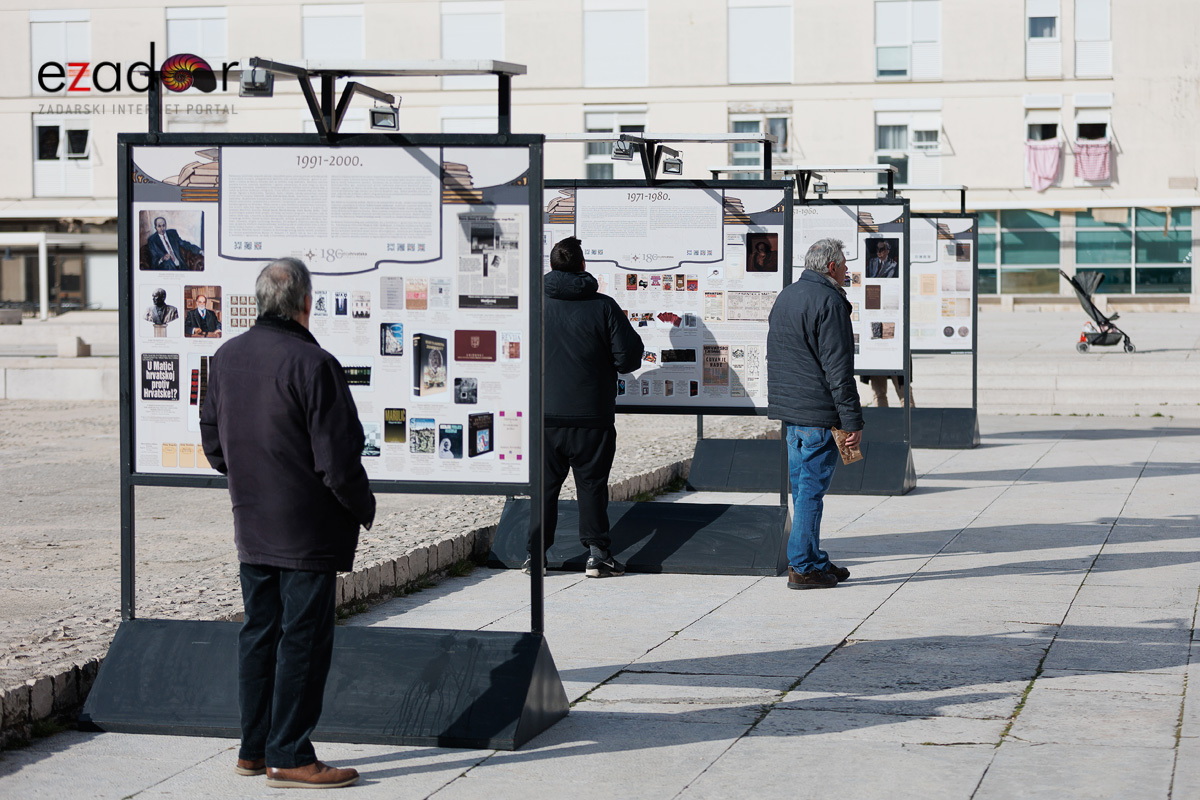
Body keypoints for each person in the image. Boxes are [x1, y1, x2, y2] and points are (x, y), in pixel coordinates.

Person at [200, 257, 374, 790]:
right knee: (303, 638)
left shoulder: (225, 356)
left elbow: (213, 443)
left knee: (259, 633)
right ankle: (291, 753)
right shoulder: (314, 362)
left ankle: (253, 750)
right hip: (306, 528)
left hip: (251, 520)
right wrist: (361, 507)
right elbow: (338, 458)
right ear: (305, 303)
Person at [529, 236, 644, 578]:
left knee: (544, 487)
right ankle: (597, 555)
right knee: (592, 485)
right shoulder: (603, 306)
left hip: (543, 416)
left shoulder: (536, 304)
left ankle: (536, 556)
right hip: (591, 415)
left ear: (551, 266)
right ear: (583, 266)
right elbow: (627, 359)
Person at [767, 238, 863, 590]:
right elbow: (838, 369)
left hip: (792, 411)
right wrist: (852, 421)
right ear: (832, 267)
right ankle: (804, 567)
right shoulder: (830, 301)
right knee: (809, 491)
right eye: (845, 265)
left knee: (802, 488)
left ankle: (813, 558)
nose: (848, 271)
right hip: (818, 413)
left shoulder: (788, 295)